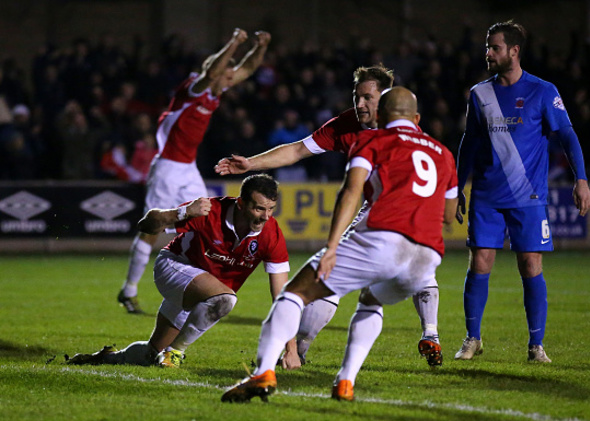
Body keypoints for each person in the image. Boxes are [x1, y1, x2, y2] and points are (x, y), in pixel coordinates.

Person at [221, 87, 458, 403]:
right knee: (371, 300)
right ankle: (345, 382)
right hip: (426, 257)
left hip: (383, 238)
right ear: (416, 118)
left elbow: (350, 191)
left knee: (295, 292)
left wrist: (332, 246)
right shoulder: (442, 153)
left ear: (383, 116)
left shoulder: (371, 140)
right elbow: (449, 215)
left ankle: (263, 372)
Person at [454, 21, 590, 363]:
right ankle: (472, 338)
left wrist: (582, 179)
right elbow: (468, 143)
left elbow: (568, 136)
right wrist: (456, 187)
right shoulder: (479, 93)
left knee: (531, 265)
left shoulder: (543, 91)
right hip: (486, 194)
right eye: (488, 46)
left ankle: (536, 345)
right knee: (480, 263)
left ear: (514, 51)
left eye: (494, 47)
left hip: (528, 196)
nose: (488, 53)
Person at [67, 174, 301, 369]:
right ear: (240, 203)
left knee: (150, 354)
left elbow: (282, 296)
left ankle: (107, 358)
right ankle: (176, 353)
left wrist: (291, 349)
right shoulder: (211, 211)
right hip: (175, 268)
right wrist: (183, 213)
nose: (266, 216)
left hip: (203, 292)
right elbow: (146, 225)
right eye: (259, 208)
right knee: (225, 300)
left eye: (271, 209)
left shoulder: (272, 234)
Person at [117, 28, 271, 314]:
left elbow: (248, 68)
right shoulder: (194, 88)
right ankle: (128, 290)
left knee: (208, 221)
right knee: (152, 230)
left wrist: (261, 46)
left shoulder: (216, 86)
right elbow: (212, 72)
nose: (229, 78)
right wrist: (234, 42)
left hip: (188, 168)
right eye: (225, 72)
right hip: (166, 167)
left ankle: (199, 283)